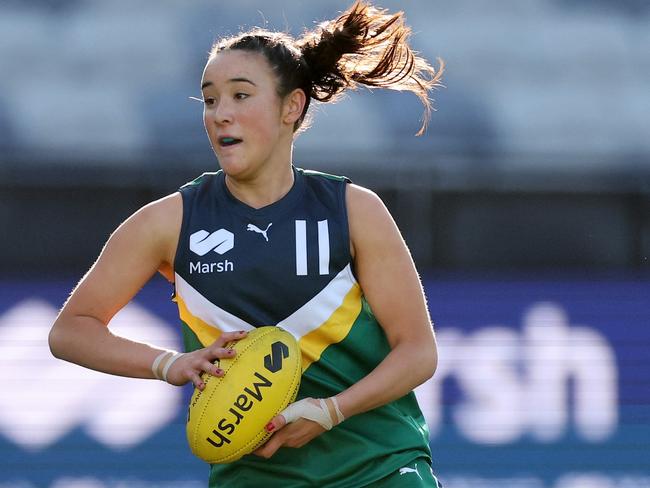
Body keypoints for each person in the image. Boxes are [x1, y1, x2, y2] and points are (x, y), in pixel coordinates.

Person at [49, 1, 444, 486]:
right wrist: (169, 364)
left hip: (379, 466)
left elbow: (418, 352)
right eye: (210, 100)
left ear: (291, 107)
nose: (221, 115)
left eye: (240, 96)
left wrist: (332, 410)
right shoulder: (168, 222)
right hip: (253, 476)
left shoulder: (354, 209)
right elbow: (71, 331)